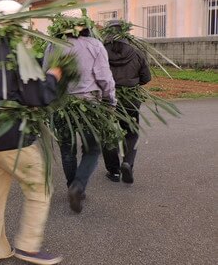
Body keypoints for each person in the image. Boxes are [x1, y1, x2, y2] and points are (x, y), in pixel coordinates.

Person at [0, 0, 64, 265]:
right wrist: (53, 77)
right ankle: (28, 247)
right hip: (12, 138)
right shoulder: (17, 52)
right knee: (40, 187)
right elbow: (36, 96)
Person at [44, 14, 117, 213]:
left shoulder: (52, 46)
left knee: (67, 150)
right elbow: (104, 78)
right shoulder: (94, 45)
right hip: (90, 105)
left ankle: (72, 186)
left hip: (61, 107)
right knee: (92, 149)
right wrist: (111, 101)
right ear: (84, 27)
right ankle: (78, 186)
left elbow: (46, 75)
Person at [101, 20, 151, 184]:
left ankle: (114, 172)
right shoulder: (136, 51)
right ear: (125, 32)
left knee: (108, 133)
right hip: (131, 98)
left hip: (107, 98)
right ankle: (127, 163)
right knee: (131, 132)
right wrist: (134, 83)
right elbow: (146, 77)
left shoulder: (101, 51)